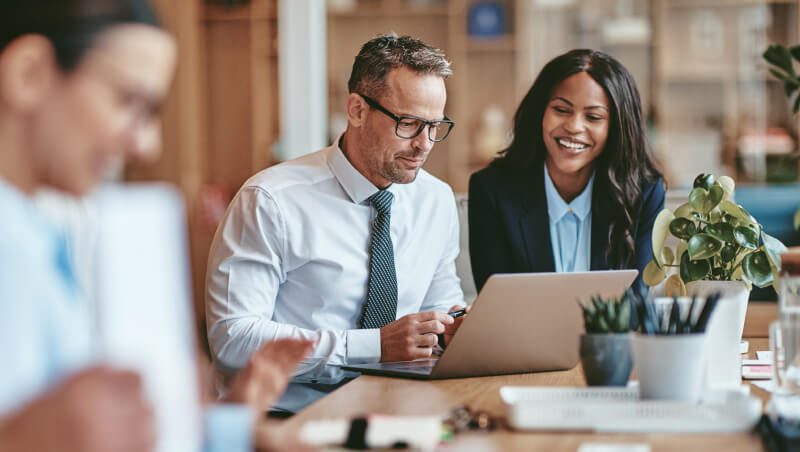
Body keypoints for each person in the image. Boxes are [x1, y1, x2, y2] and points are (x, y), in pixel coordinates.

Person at [0, 1, 311, 450]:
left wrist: (228, 424)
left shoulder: (45, 235)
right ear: (29, 74)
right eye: (129, 102)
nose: (147, 145)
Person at [206, 33, 468, 414]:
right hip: (287, 418)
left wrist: (456, 327)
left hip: (399, 413)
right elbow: (233, 340)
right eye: (409, 123)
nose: (424, 144)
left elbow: (440, 303)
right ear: (357, 110)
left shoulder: (436, 199)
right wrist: (373, 347)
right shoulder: (270, 200)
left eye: (435, 126)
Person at [468, 49, 664, 293]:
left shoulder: (643, 193)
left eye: (593, 117)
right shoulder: (492, 191)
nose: (574, 126)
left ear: (616, 127)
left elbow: (636, 301)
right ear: (540, 112)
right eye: (561, 110)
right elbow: (497, 301)